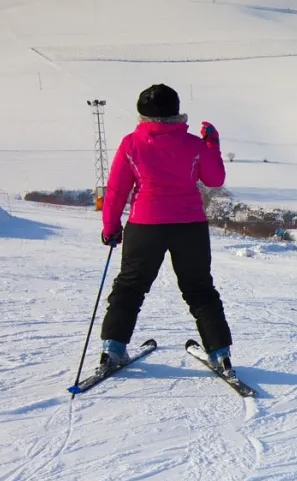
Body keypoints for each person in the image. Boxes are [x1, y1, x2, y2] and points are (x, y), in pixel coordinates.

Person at [98, 84, 235, 373]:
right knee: (199, 289)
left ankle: (112, 350)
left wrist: (111, 226)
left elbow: (116, 190)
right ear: (176, 111)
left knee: (130, 286)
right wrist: (212, 144)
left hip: (145, 224)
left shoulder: (131, 143)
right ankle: (220, 354)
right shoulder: (193, 145)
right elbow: (214, 179)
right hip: (190, 226)